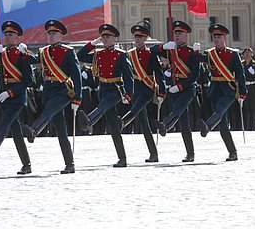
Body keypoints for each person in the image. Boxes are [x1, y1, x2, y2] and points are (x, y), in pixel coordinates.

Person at [22, 20, 82, 174]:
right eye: (49, 33)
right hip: (49, 90)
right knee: (61, 130)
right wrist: (24, 53)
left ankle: (34, 130)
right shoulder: (44, 52)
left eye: (54, 33)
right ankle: (70, 164)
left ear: (61, 36)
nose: (51, 36)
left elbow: (76, 75)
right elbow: (33, 61)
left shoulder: (68, 51)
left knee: (48, 110)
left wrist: (78, 97)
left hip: (63, 91)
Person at [77, 24, 134, 167]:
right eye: (103, 37)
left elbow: (128, 76)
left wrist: (128, 94)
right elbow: (80, 56)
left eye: (108, 36)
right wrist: (92, 44)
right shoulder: (98, 54)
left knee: (102, 106)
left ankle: (89, 120)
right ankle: (122, 158)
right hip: (103, 88)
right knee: (114, 126)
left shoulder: (121, 55)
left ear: (114, 38)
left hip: (115, 89)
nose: (105, 39)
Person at [0, 20, 34, 175]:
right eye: (5, 34)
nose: (7, 37)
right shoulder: (1, 53)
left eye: (10, 34)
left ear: (17, 36)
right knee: (16, 132)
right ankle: (27, 164)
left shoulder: (22, 54)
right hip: (4, 97)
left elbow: (28, 79)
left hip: (17, 97)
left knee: (4, 123)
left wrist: (10, 92)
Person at [151, 20, 201, 162]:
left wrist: (180, 86)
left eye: (180, 33)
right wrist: (164, 46)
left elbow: (194, 74)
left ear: (186, 35)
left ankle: (165, 124)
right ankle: (190, 153)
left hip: (187, 88)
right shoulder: (171, 50)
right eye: (176, 33)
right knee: (184, 123)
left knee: (178, 110)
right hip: (174, 89)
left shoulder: (191, 52)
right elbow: (152, 50)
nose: (177, 36)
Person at [196, 24, 247, 161]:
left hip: (228, 90)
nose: (216, 39)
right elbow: (197, 60)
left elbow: (240, 75)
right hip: (214, 90)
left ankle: (207, 126)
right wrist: (194, 52)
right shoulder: (210, 53)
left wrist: (243, 92)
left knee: (219, 110)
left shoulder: (233, 54)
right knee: (223, 124)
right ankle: (233, 152)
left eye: (219, 37)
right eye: (214, 37)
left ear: (224, 38)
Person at [121, 23, 166, 162]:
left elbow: (159, 74)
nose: (138, 39)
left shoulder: (151, 54)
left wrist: (162, 92)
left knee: (137, 107)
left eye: (140, 37)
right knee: (144, 124)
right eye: (136, 37)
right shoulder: (130, 54)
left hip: (147, 89)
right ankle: (154, 154)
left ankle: (123, 121)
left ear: (146, 38)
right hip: (135, 89)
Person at [241, 48, 255, 131]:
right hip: (245, 86)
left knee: (253, 107)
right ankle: (247, 125)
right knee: (246, 107)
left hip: (252, 86)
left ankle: (253, 125)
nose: (247, 54)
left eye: (249, 53)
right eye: (246, 52)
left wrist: (254, 73)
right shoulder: (241, 64)